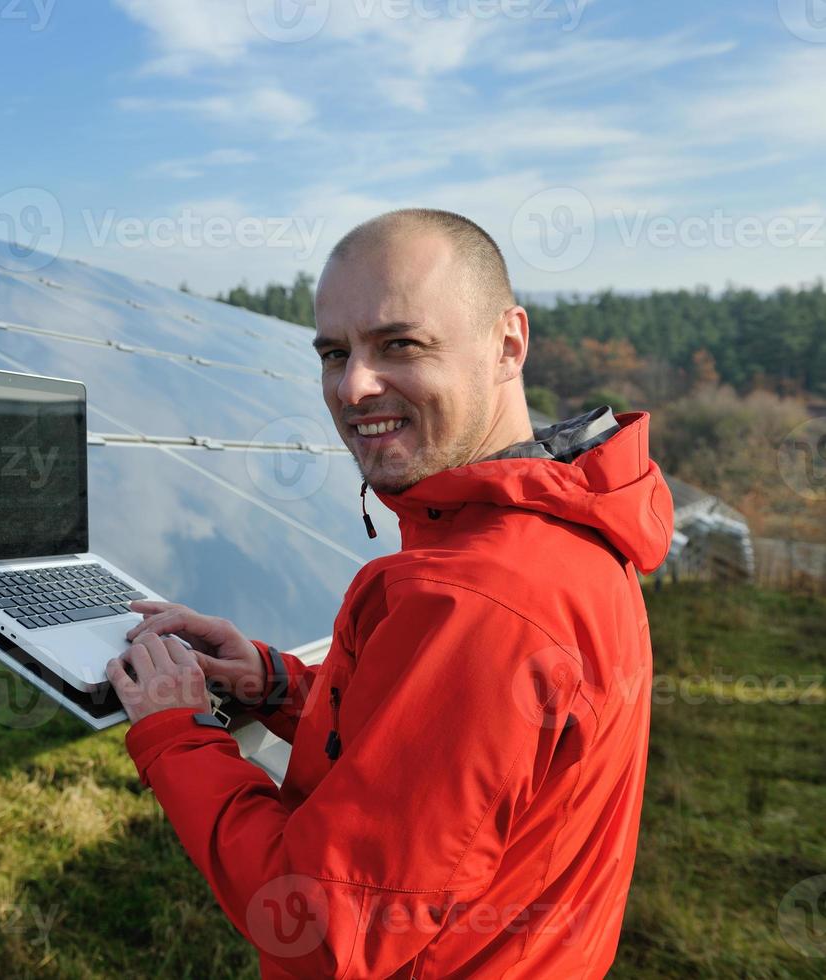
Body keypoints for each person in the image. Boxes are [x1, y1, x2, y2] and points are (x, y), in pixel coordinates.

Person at [106, 209, 674, 978]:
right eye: (334, 352)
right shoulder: (554, 527)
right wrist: (273, 683)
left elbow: (316, 923)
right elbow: (436, 755)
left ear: (508, 342)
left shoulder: (482, 603)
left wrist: (177, 734)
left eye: (399, 344)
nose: (353, 386)